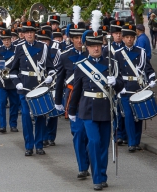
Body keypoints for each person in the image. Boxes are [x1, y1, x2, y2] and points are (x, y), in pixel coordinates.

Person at [69, 10, 124, 190]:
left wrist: (115, 82)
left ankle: (102, 175)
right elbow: (76, 90)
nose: (96, 48)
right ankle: (96, 179)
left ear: (102, 44)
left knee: (102, 145)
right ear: (86, 46)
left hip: (105, 107)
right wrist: (71, 111)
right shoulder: (81, 66)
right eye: (92, 45)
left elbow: (121, 87)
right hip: (87, 109)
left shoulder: (111, 63)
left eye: (98, 45)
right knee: (93, 141)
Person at [9, 20, 55, 156]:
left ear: (35, 33)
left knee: (40, 115)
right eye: (27, 32)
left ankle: (39, 145)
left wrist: (50, 76)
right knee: (25, 116)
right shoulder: (19, 48)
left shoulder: (44, 47)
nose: (29, 34)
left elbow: (51, 68)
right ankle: (29, 146)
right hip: (24, 87)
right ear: (23, 34)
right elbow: (13, 70)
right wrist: (17, 82)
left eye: (31, 32)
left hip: (39, 86)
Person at [54, 18, 90, 178]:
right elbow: (59, 79)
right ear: (71, 38)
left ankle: (90, 159)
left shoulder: (93, 53)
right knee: (78, 133)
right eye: (75, 37)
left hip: (90, 98)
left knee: (91, 134)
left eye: (81, 37)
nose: (78, 41)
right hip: (72, 98)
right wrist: (57, 101)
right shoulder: (64, 55)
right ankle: (82, 167)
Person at [114, 24, 156, 152]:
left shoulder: (141, 52)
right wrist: (119, 88)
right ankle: (131, 142)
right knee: (129, 116)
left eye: (131, 37)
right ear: (123, 39)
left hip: (139, 88)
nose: (129, 40)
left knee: (139, 117)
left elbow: (148, 69)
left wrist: (152, 79)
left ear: (134, 38)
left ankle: (136, 142)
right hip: (125, 89)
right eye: (126, 37)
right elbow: (116, 73)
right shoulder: (118, 54)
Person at [0, 29, 19, 133]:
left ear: (11, 39)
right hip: (1, 81)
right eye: (4, 40)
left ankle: (13, 124)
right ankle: (2, 125)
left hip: (13, 80)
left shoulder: (16, 50)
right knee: (1, 103)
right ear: (1, 40)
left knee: (14, 103)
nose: (6, 41)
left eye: (8, 39)